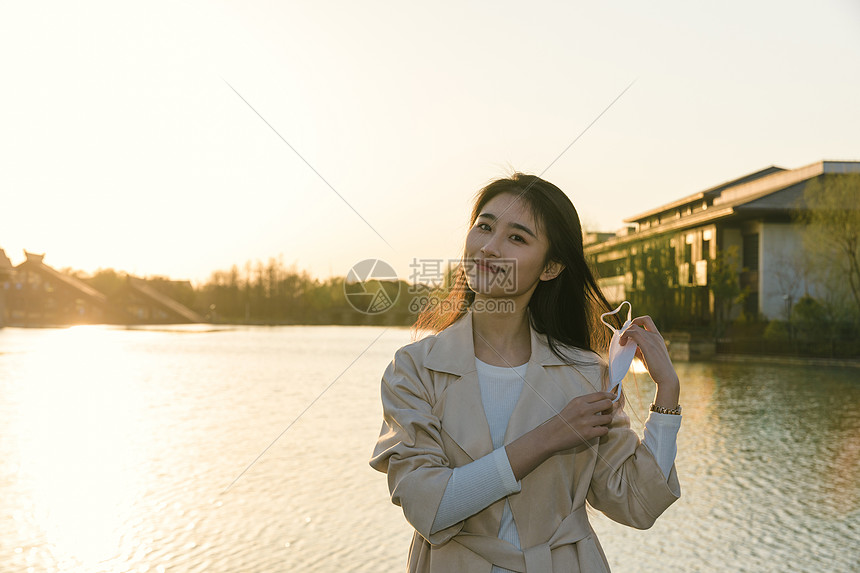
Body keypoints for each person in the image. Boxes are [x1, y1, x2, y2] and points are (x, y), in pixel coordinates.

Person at [370, 173, 682, 572]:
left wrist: (667, 394)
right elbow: (427, 506)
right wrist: (549, 437)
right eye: (484, 227)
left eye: (517, 238)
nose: (489, 247)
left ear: (550, 267)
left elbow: (638, 504)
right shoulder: (414, 369)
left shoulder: (586, 373)